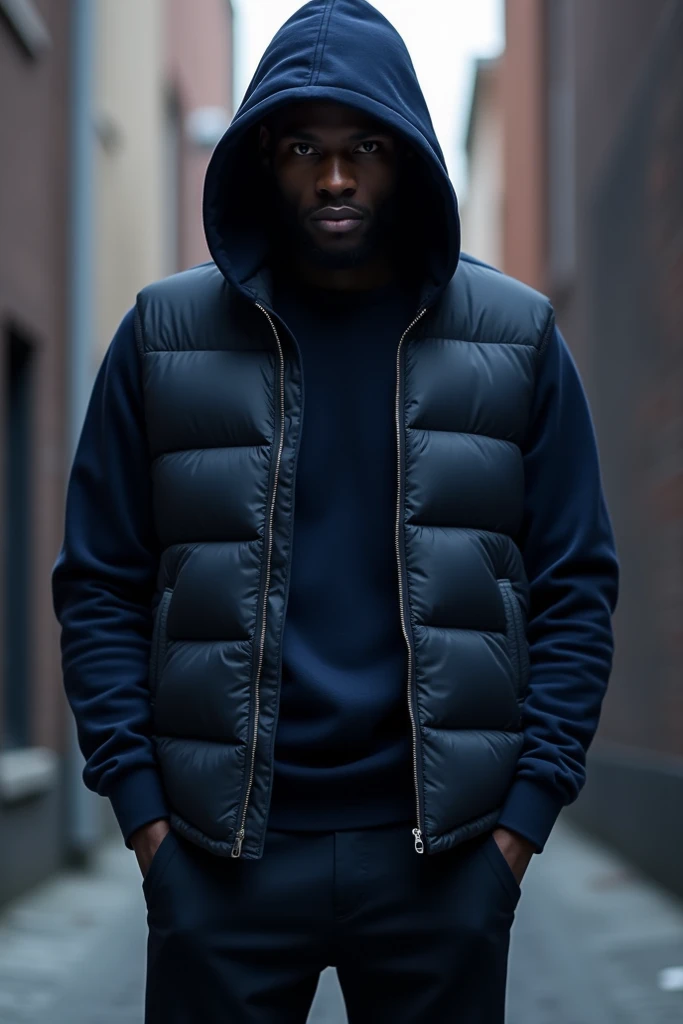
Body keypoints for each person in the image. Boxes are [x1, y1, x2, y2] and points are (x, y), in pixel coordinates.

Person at [52, 1, 619, 1021]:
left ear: (405, 156)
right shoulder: (159, 338)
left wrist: (515, 833)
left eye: (364, 147)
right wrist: (146, 824)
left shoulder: (517, 339)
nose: (335, 178)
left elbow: (574, 587)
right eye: (304, 148)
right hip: (218, 862)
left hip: (443, 863)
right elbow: (99, 585)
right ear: (262, 157)